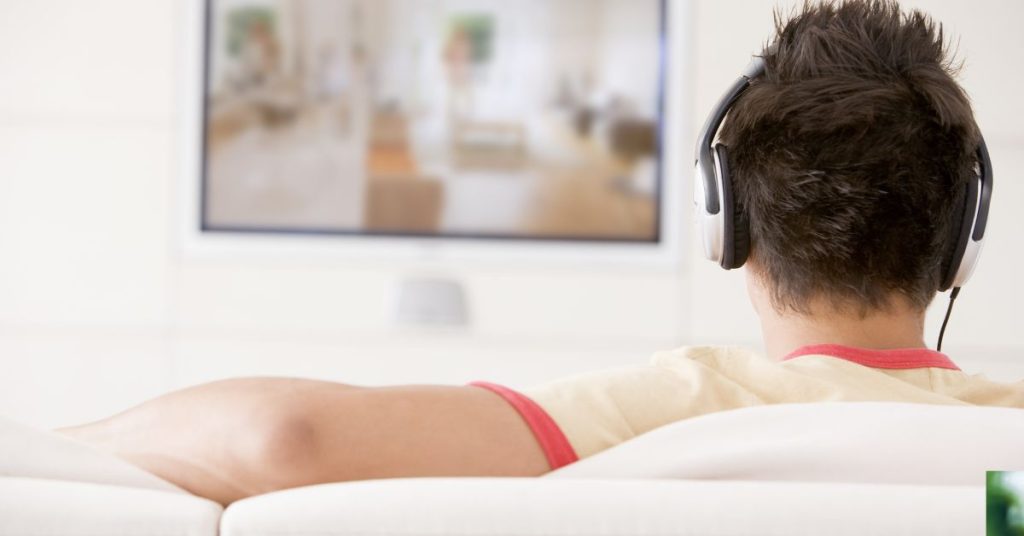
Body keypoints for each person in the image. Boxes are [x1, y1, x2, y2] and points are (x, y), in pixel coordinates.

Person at [59, 0, 1021, 506]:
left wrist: (56, 450)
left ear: (726, 223)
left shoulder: (671, 412)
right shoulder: (1006, 453)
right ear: (960, 242)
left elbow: (281, 441)